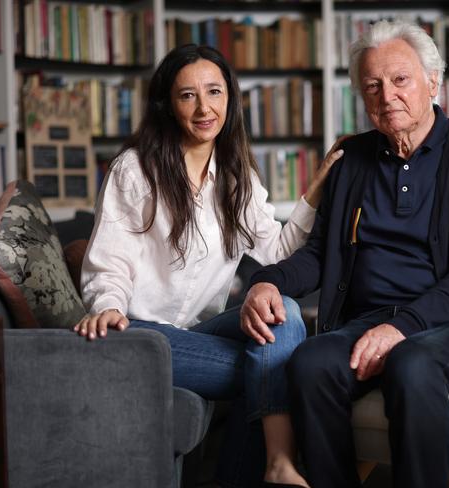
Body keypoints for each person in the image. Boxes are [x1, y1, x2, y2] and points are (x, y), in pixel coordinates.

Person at [240, 20, 449, 488]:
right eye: (372, 85)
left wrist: (400, 328)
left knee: (412, 364)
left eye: (400, 80)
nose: (386, 95)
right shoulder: (353, 161)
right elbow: (318, 255)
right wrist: (268, 281)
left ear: (434, 82)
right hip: (369, 319)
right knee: (309, 363)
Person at [74, 44, 343, 488]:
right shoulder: (135, 170)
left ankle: (277, 466)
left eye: (214, 92)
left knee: (284, 313)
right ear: (167, 104)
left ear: (230, 99)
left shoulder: (238, 177)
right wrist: (107, 304)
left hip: (196, 333)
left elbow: (277, 251)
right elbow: (111, 261)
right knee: (279, 369)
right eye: (187, 96)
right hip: (137, 332)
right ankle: (275, 465)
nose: (204, 108)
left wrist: (315, 189)